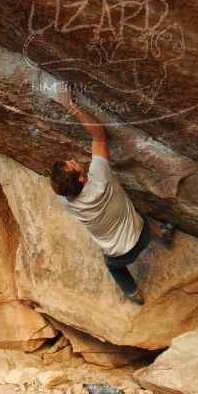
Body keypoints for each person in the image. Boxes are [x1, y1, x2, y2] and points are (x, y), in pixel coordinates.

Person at [49, 83, 175, 304]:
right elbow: (99, 135)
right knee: (137, 213)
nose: (74, 160)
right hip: (142, 235)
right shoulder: (100, 176)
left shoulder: (66, 202)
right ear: (81, 177)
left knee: (113, 268)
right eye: (73, 164)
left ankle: (134, 294)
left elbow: (65, 187)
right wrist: (69, 104)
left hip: (119, 257)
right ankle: (164, 233)